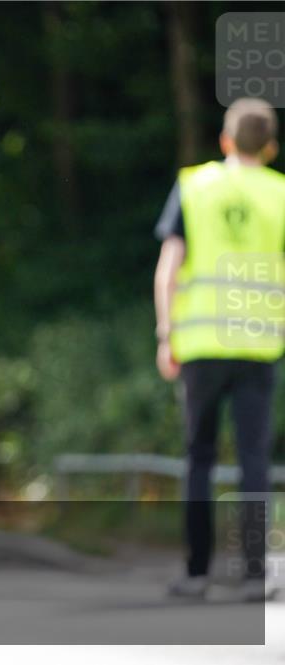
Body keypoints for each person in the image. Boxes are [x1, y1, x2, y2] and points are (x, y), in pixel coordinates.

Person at [153, 97, 284, 602]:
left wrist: (166, 335)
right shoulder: (279, 193)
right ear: (270, 147)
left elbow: (169, 267)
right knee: (254, 459)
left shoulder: (194, 186)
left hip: (200, 345)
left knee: (198, 458)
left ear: (225, 140)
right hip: (258, 345)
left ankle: (196, 573)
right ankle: (254, 575)